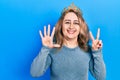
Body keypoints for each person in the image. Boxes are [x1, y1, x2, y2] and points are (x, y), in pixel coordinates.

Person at [30, 3, 106, 80]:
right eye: (67, 22)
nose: (71, 26)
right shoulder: (52, 49)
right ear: (61, 26)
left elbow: (101, 77)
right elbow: (35, 73)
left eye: (76, 23)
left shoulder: (87, 50)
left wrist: (97, 52)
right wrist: (45, 49)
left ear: (80, 27)